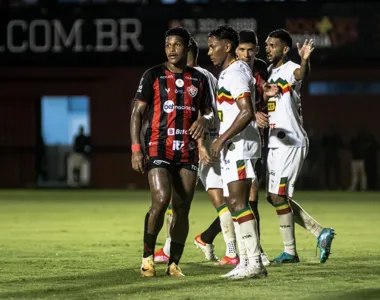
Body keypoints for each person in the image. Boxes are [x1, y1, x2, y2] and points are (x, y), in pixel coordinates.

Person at [130, 27, 214, 277]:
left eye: (177, 44)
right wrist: (136, 149)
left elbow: (210, 110)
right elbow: (137, 113)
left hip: (187, 151)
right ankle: (147, 258)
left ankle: (174, 263)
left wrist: (205, 120)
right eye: (168, 44)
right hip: (158, 147)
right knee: (160, 199)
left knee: (183, 207)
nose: (171, 49)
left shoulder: (198, 79)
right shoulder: (153, 75)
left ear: (187, 48)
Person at [154, 37, 238, 266]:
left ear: (186, 51)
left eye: (177, 47)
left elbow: (198, 115)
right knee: (180, 198)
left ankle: (232, 252)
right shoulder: (209, 75)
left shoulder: (192, 78)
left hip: (200, 146)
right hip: (214, 141)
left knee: (216, 200)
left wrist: (201, 146)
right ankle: (169, 247)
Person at [193, 30, 271, 267]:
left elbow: (246, 111)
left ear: (226, 46)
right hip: (236, 146)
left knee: (238, 203)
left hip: (238, 146)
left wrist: (220, 139)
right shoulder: (233, 71)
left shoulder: (234, 73)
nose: (209, 51)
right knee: (235, 202)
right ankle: (246, 263)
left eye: (212, 46)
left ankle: (253, 263)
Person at [265, 29, 335, 264]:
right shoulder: (268, 73)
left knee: (278, 195)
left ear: (285, 49)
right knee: (274, 197)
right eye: (267, 45)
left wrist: (305, 60)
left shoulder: (289, 69)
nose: (268, 48)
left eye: (272, 45)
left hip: (291, 141)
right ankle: (319, 233)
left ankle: (291, 251)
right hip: (275, 142)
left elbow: (300, 74)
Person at [321, 124, 343, 190]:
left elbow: (341, 144)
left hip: (334, 155)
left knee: (336, 171)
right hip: (328, 155)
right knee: (328, 171)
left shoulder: (336, 136)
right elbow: (322, 145)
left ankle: (337, 185)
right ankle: (327, 186)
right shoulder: (326, 136)